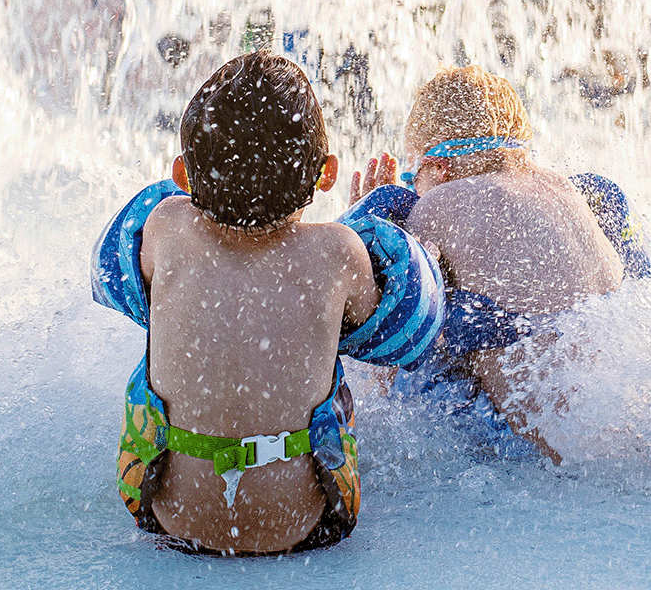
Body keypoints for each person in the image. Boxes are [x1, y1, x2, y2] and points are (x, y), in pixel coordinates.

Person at [92, 50, 445, 555]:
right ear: (326, 174)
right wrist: (381, 220)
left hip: (169, 515)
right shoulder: (339, 253)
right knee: (329, 349)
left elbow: (123, 280)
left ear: (183, 176)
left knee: (161, 331)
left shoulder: (167, 226)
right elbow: (390, 323)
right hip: (304, 523)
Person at [350, 65, 649, 462]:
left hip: (532, 442)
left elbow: (392, 338)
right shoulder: (564, 188)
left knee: (425, 326)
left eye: (412, 173)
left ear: (439, 168)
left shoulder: (437, 204)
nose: (411, 188)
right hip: (614, 406)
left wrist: (374, 238)